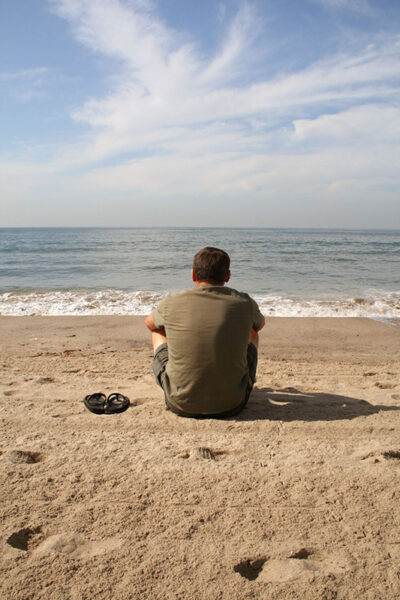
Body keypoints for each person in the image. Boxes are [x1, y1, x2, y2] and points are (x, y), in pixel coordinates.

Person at [145, 247, 265, 418]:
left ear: (193, 275)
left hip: (179, 403)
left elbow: (149, 324)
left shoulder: (172, 302)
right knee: (252, 332)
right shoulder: (244, 302)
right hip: (233, 404)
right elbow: (259, 325)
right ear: (227, 276)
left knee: (158, 331)